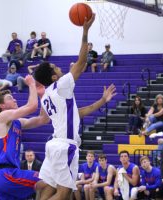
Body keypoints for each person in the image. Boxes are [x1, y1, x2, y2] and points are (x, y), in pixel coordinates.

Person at [32, 14, 98, 200]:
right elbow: (82, 62)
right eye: (55, 67)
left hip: (53, 144)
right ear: (53, 77)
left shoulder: (46, 96)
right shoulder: (61, 85)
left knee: (49, 188)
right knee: (64, 193)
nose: (58, 67)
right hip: (65, 146)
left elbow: (75, 113)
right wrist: (85, 31)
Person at [0, 75, 50, 199]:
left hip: (8, 175)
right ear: (2, 106)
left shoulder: (17, 122)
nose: (15, 100)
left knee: (47, 182)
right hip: (6, 173)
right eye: (10, 98)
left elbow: (43, 119)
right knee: (48, 181)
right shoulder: (2, 117)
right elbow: (31, 106)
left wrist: (42, 96)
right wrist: (31, 84)